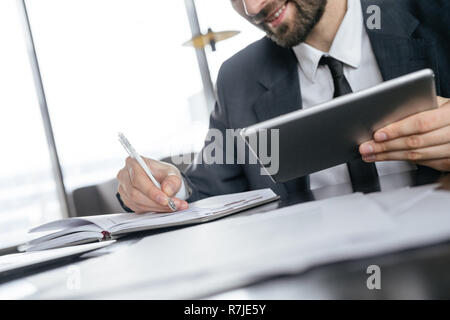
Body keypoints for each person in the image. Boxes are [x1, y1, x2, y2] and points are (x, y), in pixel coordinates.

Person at [116, 0, 450, 213]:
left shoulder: (437, 17)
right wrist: (165, 186)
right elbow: (206, 190)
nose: (251, 7)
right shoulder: (239, 78)